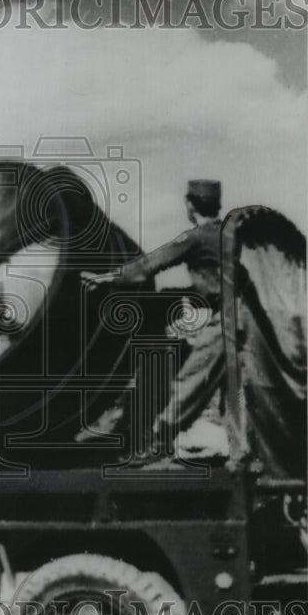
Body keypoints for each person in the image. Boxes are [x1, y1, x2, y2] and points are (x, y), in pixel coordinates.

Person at [80, 179, 225, 451]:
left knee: (189, 380)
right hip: (246, 317)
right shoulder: (231, 234)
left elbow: (146, 267)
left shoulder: (195, 238)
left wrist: (105, 279)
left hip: (224, 320)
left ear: (190, 206)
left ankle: (158, 440)